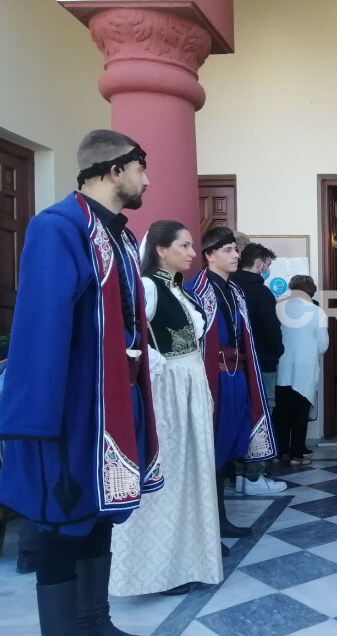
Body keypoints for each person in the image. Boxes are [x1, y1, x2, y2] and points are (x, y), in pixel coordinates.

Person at [0, 129, 158, 636]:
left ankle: (94, 624)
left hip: (113, 405)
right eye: (141, 169)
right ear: (114, 170)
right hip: (70, 407)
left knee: (101, 511)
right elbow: (41, 323)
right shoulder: (58, 226)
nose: (147, 181)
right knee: (60, 520)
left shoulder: (120, 237)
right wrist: (37, 421)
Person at [109, 221, 223, 597]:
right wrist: (159, 369)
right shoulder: (148, 286)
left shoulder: (180, 290)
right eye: (184, 246)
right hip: (168, 391)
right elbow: (128, 337)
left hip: (190, 387)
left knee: (191, 473)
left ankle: (188, 561)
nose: (192, 253)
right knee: (167, 474)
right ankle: (153, 572)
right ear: (161, 250)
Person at [186, 227, 278, 541]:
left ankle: (219, 519)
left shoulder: (235, 290)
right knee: (211, 446)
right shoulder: (196, 290)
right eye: (227, 250)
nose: (235, 255)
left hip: (237, 375)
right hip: (213, 377)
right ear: (209, 255)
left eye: (235, 249)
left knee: (230, 444)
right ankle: (209, 525)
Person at [231, 242, 287, 494]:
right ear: (259, 263)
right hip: (262, 362)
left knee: (241, 417)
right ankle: (255, 476)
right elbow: (271, 330)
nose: (267, 270)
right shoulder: (261, 292)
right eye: (268, 264)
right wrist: (277, 352)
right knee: (262, 417)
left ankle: (240, 475)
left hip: (234, 365)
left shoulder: (230, 287)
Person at [274, 275, 329, 467]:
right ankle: (297, 455)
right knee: (300, 413)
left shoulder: (279, 308)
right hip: (305, 369)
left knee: (281, 413)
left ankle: (279, 452)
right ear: (311, 291)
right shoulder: (317, 312)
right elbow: (323, 345)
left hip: (281, 367)